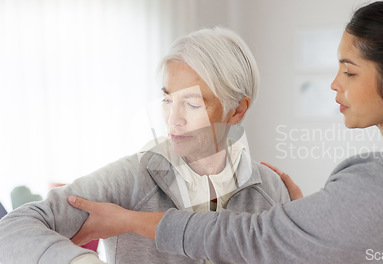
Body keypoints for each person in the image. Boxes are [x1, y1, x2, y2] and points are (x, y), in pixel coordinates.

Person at [64, 0, 383, 263]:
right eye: (167, 98)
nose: (333, 84)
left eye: (348, 71)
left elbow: (256, 238)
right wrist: (327, 218)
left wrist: (129, 222)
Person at [0, 27, 290, 264]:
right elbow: (12, 228)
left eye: (191, 103)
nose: (173, 119)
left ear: (237, 110)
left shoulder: (270, 190)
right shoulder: (131, 179)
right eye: (167, 100)